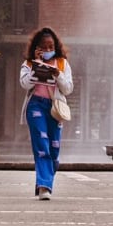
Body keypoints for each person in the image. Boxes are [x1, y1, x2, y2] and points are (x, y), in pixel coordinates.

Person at [19, 27, 74, 200]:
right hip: (36, 106)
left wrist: (58, 75)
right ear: (37, 47)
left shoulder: (62, 63)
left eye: (51, 46)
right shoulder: (28, 64)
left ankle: (43, 180)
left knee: (54, 149)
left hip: (54, 108)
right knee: (42, 145)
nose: (48, 50)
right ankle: (44, 186)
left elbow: (68, 89)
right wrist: (36, 66)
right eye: (44, 47)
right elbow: (24, 84)